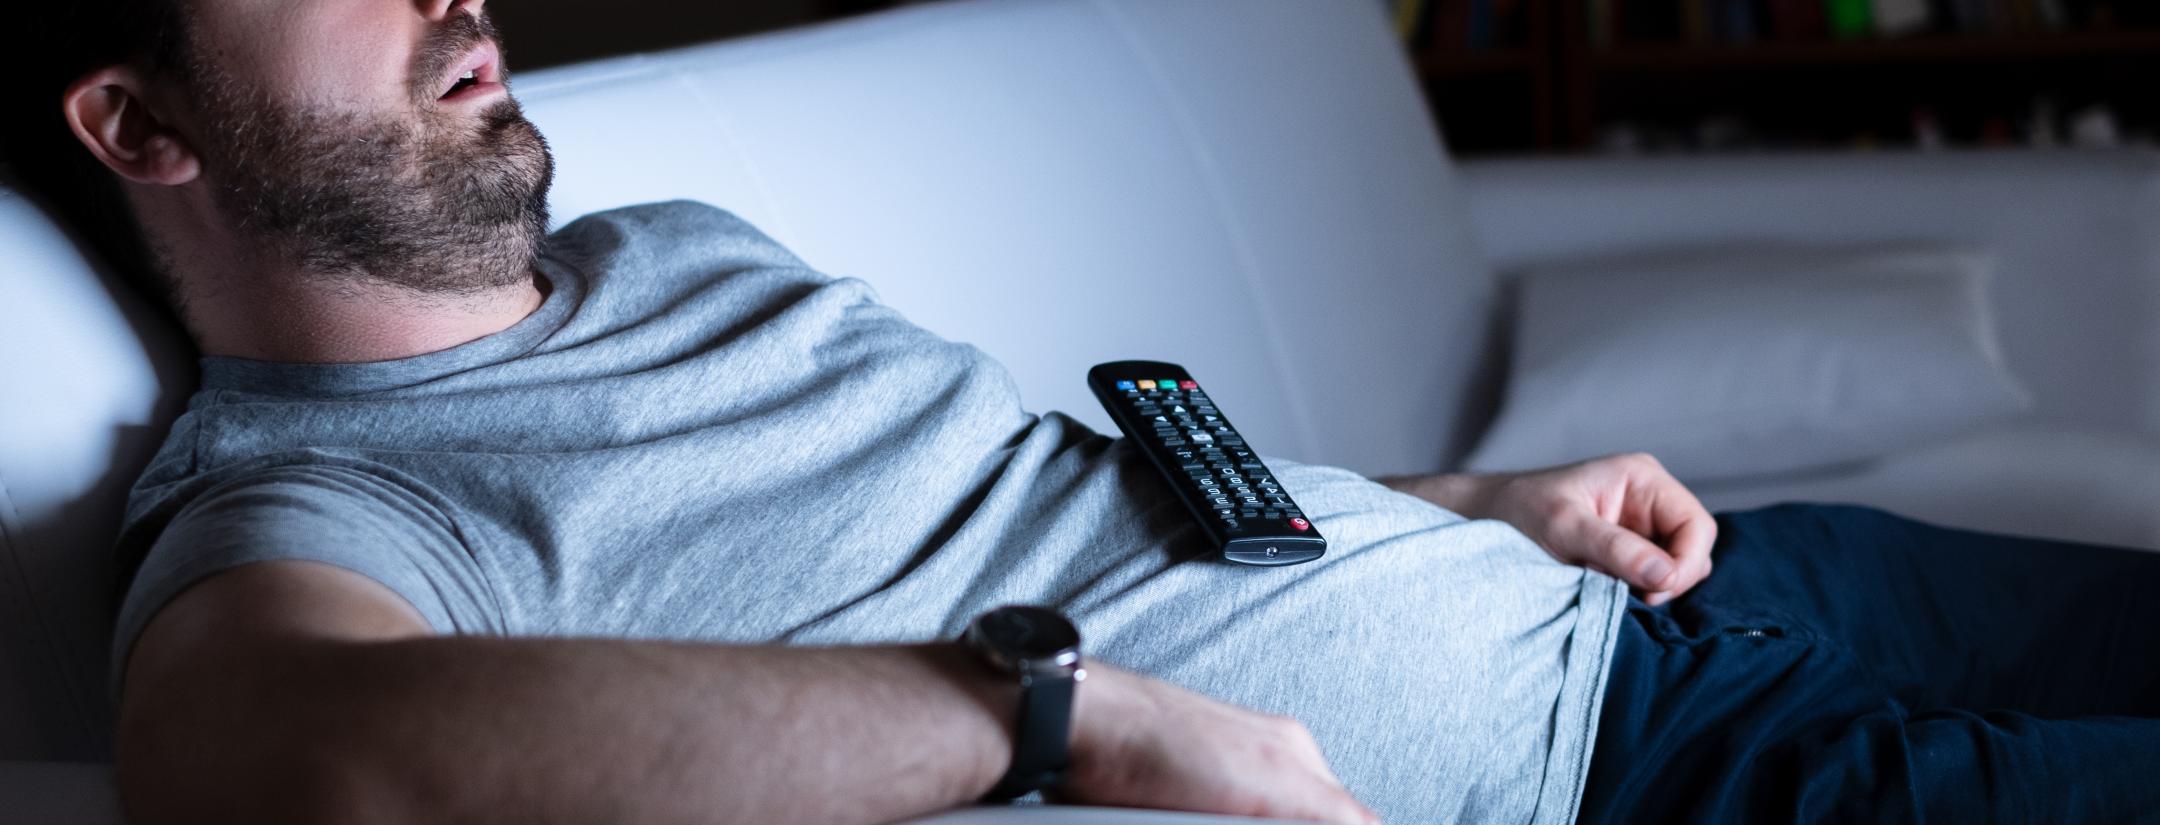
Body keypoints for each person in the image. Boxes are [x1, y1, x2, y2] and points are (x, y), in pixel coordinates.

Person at [5, 2, 2156, 824]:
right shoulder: (320, 499)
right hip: (1661, 774)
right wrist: (1049, 715)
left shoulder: (672, 245)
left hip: (1662, 585)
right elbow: (279, 754)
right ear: (139, 119)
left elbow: (1053, 518)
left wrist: (1464, 496)